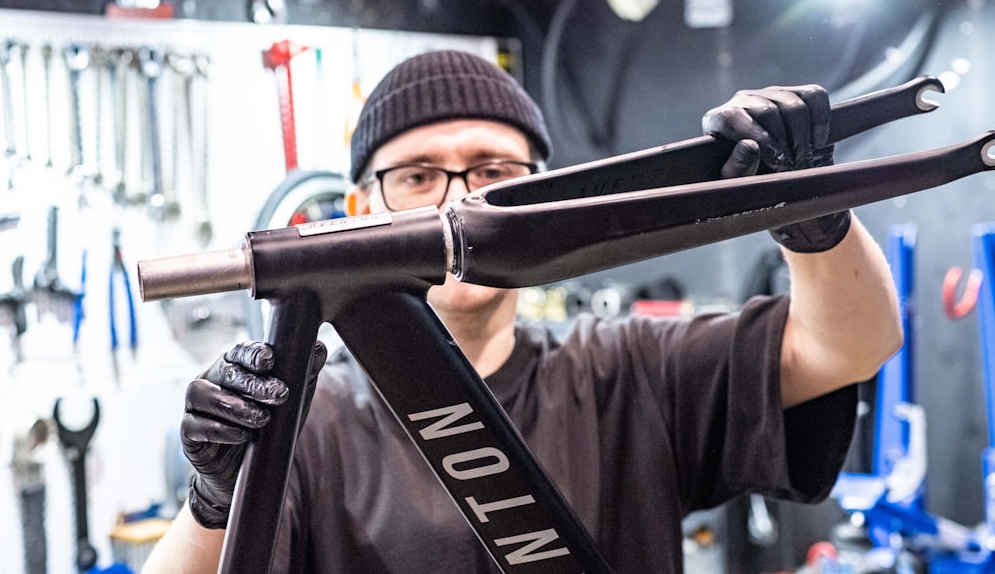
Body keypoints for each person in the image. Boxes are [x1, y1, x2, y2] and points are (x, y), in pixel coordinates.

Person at [142, 49, 902, 573]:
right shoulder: (310, 421)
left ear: (546, 194)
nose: (457, 199)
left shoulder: (630, 371)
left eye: (494, 170)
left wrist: (813, 216)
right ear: (359, 206)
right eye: (415, 175)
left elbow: (852, 346)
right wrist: (215, 501)